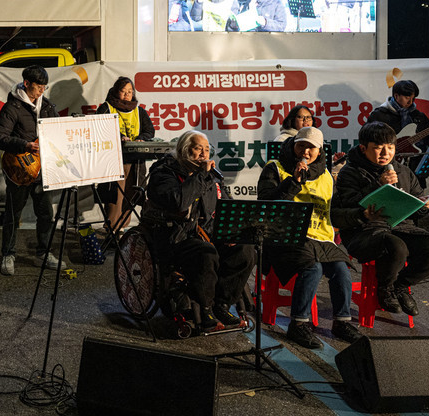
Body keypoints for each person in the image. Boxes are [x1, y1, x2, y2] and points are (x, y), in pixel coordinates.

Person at [258, 126, 363, 348]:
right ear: (293, 145)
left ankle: (342, 322)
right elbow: (266, 206)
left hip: (322, 238)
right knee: (312, 268)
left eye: (311, 148)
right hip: (286, 237)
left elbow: (336, 212)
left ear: (319, 151)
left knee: (341, 270)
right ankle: (298, 324)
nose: (305, 151)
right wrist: (294, 182)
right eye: (301, 145)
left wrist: (362, 214)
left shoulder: (326, 176)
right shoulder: (275, 168)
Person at [332, 121, 429, 316]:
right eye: (378, 148)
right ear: (363, 149)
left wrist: (424, 206)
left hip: (402, 228)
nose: (385, 153)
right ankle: (384, 289)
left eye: (390, 147)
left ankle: (400, 286)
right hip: (364, 232)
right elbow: (346, 207)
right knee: (396, 246)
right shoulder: (350, 172)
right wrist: (377, 186)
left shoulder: (403, 171)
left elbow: (416, 205)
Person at [145, 131, 255, 331]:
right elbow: (178, 202)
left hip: (208, 233)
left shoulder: (211, 176)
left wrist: (232, 231)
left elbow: (227, 206)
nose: (204, 154)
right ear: (184, 150)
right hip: (176, 236)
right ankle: (205, 310)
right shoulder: (164, 173)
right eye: (198, 149)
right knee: (206, 253)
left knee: (244, 250)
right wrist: (201, 176)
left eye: (206, 149)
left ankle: (222, 304)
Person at [0, 65, 62, 276]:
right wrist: (24, 145)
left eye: (44, 87)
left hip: (42, 169)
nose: (42, 90)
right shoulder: (12, 107)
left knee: (46, 214)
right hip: (18, 169)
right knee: (13, 214)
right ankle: (8, 254)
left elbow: (58, 131)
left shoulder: (47, 106)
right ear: (26, 83)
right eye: (38, 86)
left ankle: (44, 253)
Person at [95, 76, 156, 236]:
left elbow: (150, 130)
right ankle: (111, 228)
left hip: (135, 160)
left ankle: (122, 228)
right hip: (114, 159)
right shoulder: (106, 107)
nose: (127, 95)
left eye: (130, 91)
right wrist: (120, 136)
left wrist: (142, 138)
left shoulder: (139, 111)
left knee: (132, 193)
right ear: (116, 91)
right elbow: (99, 127)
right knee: (115, 195)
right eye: (123, 91)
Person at [368, 80, 429, 149]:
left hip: (416, 160)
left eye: (413, 98)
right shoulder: (379, 115)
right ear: (396, 96)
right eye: (407, 98)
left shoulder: (419, 116)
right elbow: (367, 138)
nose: (410, 102)